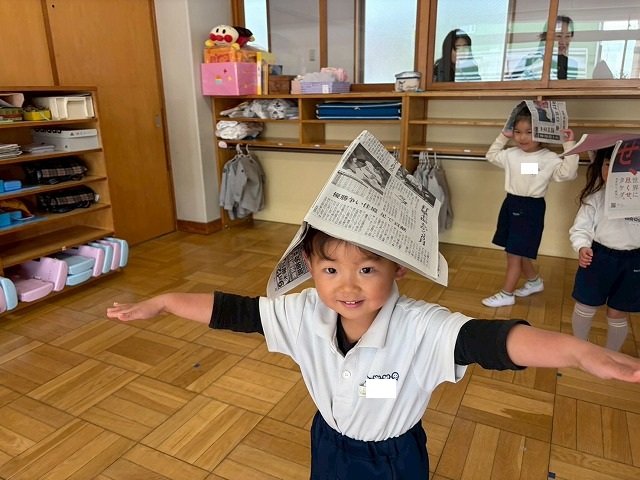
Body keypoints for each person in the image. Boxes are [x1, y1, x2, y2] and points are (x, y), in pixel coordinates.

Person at [107, 226, 640, 479]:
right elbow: (237, 311)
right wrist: (165, 301)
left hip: (392, 457)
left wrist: (576, 352)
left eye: (366, 268)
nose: (347, 286)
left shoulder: (421, 327)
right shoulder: (303, 313)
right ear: (310, 269)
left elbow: (489, 341)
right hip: (328, 441)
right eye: (330, 269)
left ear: (397, 268)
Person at [482, 105, 579, 308]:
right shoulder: (511, 154)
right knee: (518, 250)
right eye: (518, 131)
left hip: (530, 208)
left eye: (529, 132)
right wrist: (503, 135)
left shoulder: (548, 158)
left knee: (514, 254)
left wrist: (568, 144)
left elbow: (568, 173)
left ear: (543, 133)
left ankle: (507, 294)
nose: (522, 137)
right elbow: (491, 155)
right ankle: (534, 282)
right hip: (511, 204)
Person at [569, 146, 640, 351]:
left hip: (633, 262)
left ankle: (611, 354)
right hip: (598, 257)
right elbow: (580, 228)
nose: (613, 171)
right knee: (585, 305)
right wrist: (582, 247)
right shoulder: (595, 198)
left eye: (622, 167)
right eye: (608, 164)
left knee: (618, 312)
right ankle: (580, 349)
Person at [509, 15, 578, 80]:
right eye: (558, 36)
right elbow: (513, 82)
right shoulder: (530, 60)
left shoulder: (571, 64)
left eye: (568, 36)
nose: (563, 41)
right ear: (546, 37)